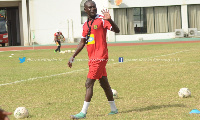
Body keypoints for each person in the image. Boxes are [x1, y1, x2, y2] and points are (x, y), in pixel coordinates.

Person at [68, 0, 120, 119]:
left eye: (94, 7)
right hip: (92, 58)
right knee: (104, 83)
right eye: (90, 8)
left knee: (89, 83)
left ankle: (83, 113)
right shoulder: (85, 25)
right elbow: (82, 42)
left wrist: (110, 19)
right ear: (85, 10)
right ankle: (114, 109)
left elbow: (117, 30)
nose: (93, 9)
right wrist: (73, 56)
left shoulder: (102, 19)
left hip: (100, 57)